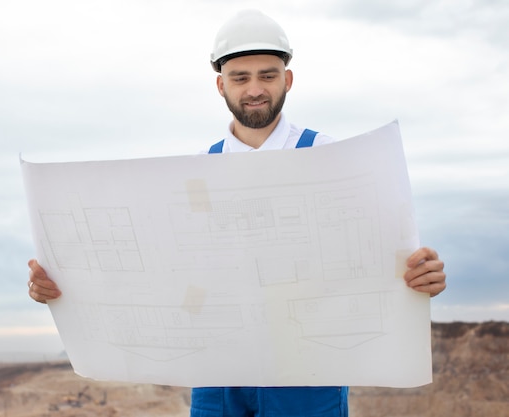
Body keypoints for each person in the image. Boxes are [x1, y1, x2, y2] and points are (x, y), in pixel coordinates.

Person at [27, 9, 447, 417]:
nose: (254, 89)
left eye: (267, 75)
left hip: (306, 373)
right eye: (240, 77)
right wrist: (66, 286)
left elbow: (379, 258)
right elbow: (167, 274)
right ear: (220, 85)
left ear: (288, 79)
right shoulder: (192, 174)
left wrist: (419, 279)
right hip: (218, 372)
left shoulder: (336, 159)